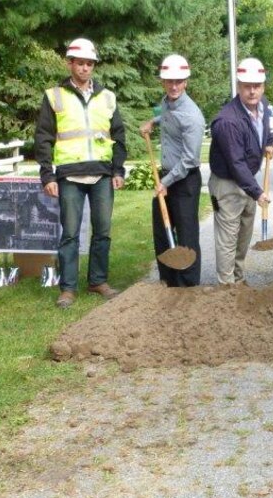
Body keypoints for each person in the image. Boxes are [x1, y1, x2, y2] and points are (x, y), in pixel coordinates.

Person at [34, 37, 126, 308]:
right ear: (70, 63)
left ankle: (98, 280)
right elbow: (43, 137)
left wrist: (118, 169)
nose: (85, 68)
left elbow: (119, 135)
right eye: (80, 63)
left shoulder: (107, 97)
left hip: (102, 173)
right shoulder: (54, 96)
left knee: (103, 231)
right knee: (70, 233)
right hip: (69, 175)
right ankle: (68, 288)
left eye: (89, 63)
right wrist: (47, 175)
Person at [208, 57, 273, 285]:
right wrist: (257, 192)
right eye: (247, 86)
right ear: (239, 86)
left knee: (244, 234)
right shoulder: (228, 121)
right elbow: (236, 163)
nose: (252, 91)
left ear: (263, 86)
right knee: (228, 238)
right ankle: (226, 288)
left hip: (247, 180)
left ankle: (238, 280)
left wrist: (268, 141)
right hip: (227, 184)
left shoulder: (264, 105)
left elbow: (267, 127)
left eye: (256, 86)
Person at [139, 54, 205, 287]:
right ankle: (167, 281)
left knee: (186, 236)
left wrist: (165, 182)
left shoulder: (192, 116)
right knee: (162, 230)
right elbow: (162, 113)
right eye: (169, 81)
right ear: (163, 82)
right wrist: (152, 121)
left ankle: (188, 285)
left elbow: (189, 160)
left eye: (179, 81)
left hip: (184, 180)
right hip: (167, 176)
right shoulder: (165, 101)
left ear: (186, 81)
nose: (174, 86)